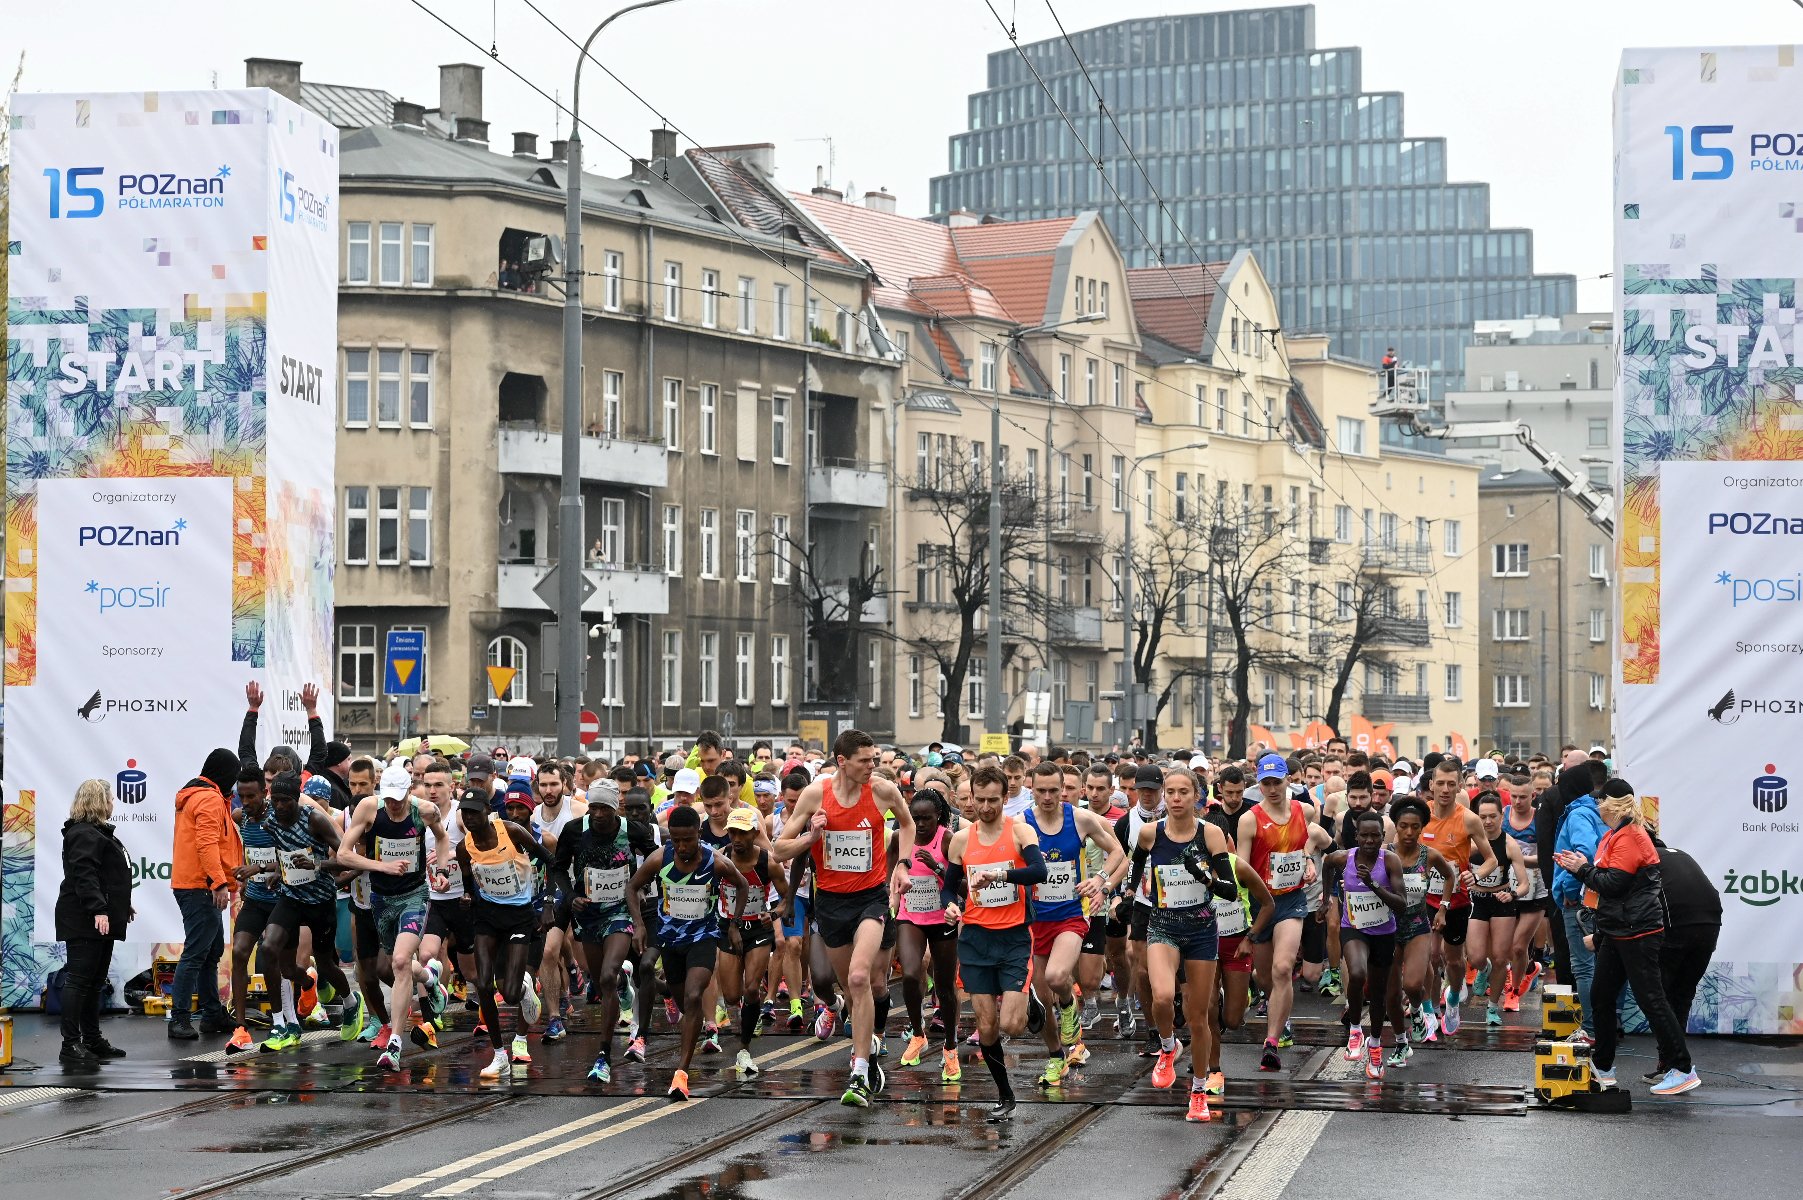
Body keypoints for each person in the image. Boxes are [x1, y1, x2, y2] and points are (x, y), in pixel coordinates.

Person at [774, 728, 914, 1107]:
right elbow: (778, 848)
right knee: (847, 988)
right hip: (831, 902)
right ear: (842, 762)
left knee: (859, 976)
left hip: (871, 898)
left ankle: (861, 1067)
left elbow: (907, 822)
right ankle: (863, 1050)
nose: (874, 766)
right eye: (865, 761)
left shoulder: (882, 790)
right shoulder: (816, 793)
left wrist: (902, 865)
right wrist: (811, 836)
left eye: (875, 759)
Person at [1554, 779, 1699, 1095]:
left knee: (1651, 999)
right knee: (1602, 995)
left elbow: (1613, 884)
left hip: (1638, 931)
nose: (1595, 807)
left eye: (1598, 802)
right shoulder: (1615, 835)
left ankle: (1683, 1067)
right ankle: (1603, 1067)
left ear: (1609, 804)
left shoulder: (1631, 836)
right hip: (1620, 929)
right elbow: (1608, 888)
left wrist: (1581, 869)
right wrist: (1580, 869)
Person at [1127, 765, 1238, 1122]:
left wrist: (1201, 875)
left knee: (1199, 1016)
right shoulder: (1149, 833)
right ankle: (1166, 1047)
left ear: (1197, 797)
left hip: (1202, 930)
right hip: (1163, 926)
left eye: (1183, 792)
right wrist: (1126, 895)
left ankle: (1199, 1091)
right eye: (1170, 792)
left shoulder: (1211, 835)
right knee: (1161, 996)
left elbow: (1230, 889)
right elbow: (1136, 868)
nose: (1175, 799)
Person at [942, 764, 1048, 1123]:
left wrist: (1001, 874)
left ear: (1005, 798)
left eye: (992, 800)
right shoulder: (961, 839)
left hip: (1014, 937)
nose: (985, 807)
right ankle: (1005, 1095)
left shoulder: (1020, 832)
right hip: (975, 939)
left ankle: (1027, 996)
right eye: (979, 799)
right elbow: (947, 887)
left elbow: (1039, 872)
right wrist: (950, 906)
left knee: (1013, 1026)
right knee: (986, 1026)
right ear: (971, 796)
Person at [335, 764, 454, 1070]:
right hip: (381, 899)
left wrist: (441, 872)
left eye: (399, 799)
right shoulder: (369, 808)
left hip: (415, 894)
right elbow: (344, 854)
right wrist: (382, 867)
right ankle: (430, 978)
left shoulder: (424, 811)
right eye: (388, 799)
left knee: (400, 962)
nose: (394, 805)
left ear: (407, 793)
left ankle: (394, 1044)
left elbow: (442, 840)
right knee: (392, 962)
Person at [627, 805, 750, 1101]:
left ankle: (681, 1073)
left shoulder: (714, 861)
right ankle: (668, 993)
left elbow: (743, 885)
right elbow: (632, 888)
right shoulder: (662, 857)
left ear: (699, 834)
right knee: (685, 1003)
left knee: (695, 996)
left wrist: (733, 925)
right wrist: (639, 925)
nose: (682, 846)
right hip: (671, 940)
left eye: (688, 840)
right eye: (677, 840)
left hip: (703, 937)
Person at [1024, 761, 1125, 1086]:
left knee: (1057, 976)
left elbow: (1118, 851)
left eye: (1055, 790)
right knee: (1041, 996)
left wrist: (1099, 879)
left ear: (1067, 791)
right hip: (1036, 920)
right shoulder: (1021, 823)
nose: (1049, 797)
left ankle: (1069, 1005)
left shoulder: (1080, 819)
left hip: (1071, 915)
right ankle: (1057, 1057)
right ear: (1032, 790)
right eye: (1041, 791)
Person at [1238, 752, 1332, 1071]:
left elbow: (1319, 840)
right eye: (1266, 783)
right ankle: (1281, 1012)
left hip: (1292, 901)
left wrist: (1306, 859)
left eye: (1277, 782)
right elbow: (1242, 868)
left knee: (1282, 968)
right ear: (1259, 784)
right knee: (1264, 975)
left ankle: (1272, 1041)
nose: (1272, 789)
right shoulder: (1249, 819)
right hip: (1261, 903)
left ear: (1288, 781)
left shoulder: (1303, 811)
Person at [257, 772, 353, 1052]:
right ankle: (281, 1024)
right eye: (274, 800)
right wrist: (279, 870)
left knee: (325, 964)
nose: (279, 806)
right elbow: (283, 852)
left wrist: (315, 863)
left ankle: (350, 1002)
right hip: (290, 897)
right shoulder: (271, 821)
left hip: (321, 900)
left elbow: (345, 859)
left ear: (297, 798)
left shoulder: (315, 819)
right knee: (270, 951)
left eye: (285, 800)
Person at [1322, 810, 1407, 1080]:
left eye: (1375, 835)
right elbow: (1326, 863)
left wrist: (1373, 885)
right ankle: (1356, 1030)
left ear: (1383, 836)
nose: (1370, 840)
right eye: (1364, 835)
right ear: (1356, 836)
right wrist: (1326, 899)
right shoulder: (1343, 858)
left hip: (1384, 932)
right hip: (1354, 928)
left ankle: (1375, 1045)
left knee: (1380, 993)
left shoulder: (1390, 861)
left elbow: (1401, 904)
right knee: (1358, 974)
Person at [169, 745, 247, 1039]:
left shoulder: (200, 796)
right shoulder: (210, 800)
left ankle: (212, 1014)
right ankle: (179, 1018)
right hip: (201, 887)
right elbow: (207, 845)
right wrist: (218, 883)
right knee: (197, 953)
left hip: (196, 884)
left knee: (210, 952)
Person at [55, 779, 133, 1068]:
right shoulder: (83, 834)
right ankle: (70, 1044)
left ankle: (92, 1039)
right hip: (83, 918)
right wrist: (99, 909)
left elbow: (106, 876)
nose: (114, 803)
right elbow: (84, 874)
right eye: (110, 798)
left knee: (94, 981)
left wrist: (121, 904)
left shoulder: (96, 833)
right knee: (79, 980)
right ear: (99, 801)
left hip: (99, 916)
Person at [1420, 756, 1493, 1036]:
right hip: (1425, 898)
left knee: (1452, 960)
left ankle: (1452, 999)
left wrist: (1476, 875)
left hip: (1457, 900)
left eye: (1452, 783)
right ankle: (1428, 1009)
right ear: (1432, 785)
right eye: (1440, 783)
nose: (1446, 789)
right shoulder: (1421, 815)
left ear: (1460, 784)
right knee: (1429, 956)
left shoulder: (1468, 819)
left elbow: (1491, 859)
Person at [896, 781, 962, 1081]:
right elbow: (890, 874)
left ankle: (950, 1046)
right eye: (916, 818)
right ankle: (918, 1034)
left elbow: (963, 886)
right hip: (910, 915)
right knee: (910, 973)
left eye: (927, 819)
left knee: (946, 987)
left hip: (942, 918)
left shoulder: (947, 840)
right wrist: (891, 896)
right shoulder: (900, 837)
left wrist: (937, 867)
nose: (920, 824)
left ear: (939, 817)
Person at [717, 806, 789, 1078]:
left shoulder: (767, 862)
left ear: (755, 834)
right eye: (732, 832)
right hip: (728, 928)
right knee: (732, 994)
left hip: (758, 928)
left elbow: (786, 897)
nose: (737, 838)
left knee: (749, 989)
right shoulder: (720, 859)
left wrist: (774, 914)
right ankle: (751, 1008)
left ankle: (744, 1047)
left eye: (743, 833)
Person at [1645, 830, 1721, 1082]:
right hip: (1710, 924)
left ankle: (1672, 1064)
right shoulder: (1680, 855)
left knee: (1661, 997)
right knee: (1682, 994)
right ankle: (1672, 1063)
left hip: (1678, 925)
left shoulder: (1645, 859)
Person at [1552, 766, 1607, 1043]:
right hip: (1598, 897)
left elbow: (1583, 853)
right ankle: (1607, 1025)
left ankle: (1592, 1030)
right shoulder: (1597, 811)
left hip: (1579, 900)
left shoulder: (1578, 814)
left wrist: (1570, 890)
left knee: (1584, 966)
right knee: (1602, 963)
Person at [1468, 794, 1530, 1027]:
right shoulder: (1471, 842)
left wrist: (1512, 894)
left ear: (1502, 816)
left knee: (1501, 956)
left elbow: (1524, 884)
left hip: (1502, 901)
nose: (1488, 821)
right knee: (1475, 956)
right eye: (1482, 817)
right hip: (1477, 899)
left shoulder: (1509, 844)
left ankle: (1492, 1007)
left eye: (1493, 816)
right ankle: (1484, 968)